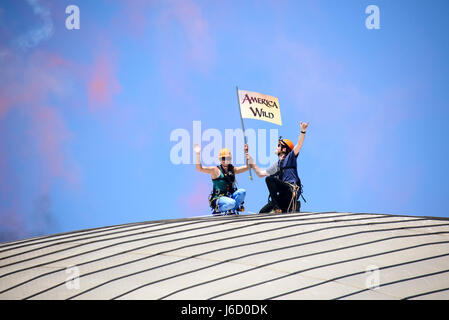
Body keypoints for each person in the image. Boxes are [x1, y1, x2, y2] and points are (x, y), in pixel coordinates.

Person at [249, 121, 309, 213]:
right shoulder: (278, 165)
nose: (276, 147)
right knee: (262, 213)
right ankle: (277, 206)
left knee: (270, 179)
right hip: (283, 197)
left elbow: (299, 145)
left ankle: (276, 207)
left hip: (289, 191)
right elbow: (260, 174)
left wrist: (303, 131)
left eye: (278, 145)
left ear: (284, 149)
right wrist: (251, 161)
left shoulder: (290, 157)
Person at [194, 143, 250, 215]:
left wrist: (246, 153)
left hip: (230, 196)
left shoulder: (232, 170)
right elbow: (200, 169)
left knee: (242, 192)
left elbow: (247, 167)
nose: (225, 160)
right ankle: (218, 209)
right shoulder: (215, 170)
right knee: (231, 203)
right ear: (220, 159)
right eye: (223, 158)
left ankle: (232, 210)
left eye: (227, 158)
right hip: (219, 198)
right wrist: (197, 154)